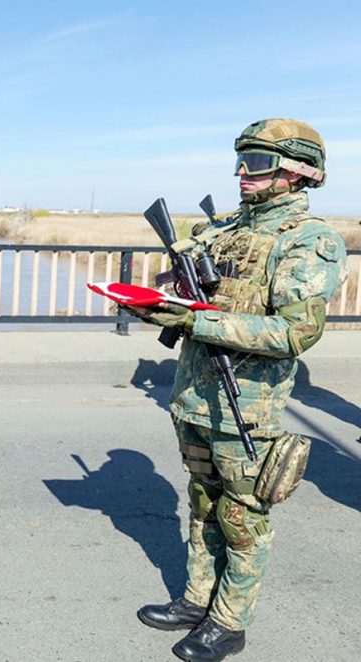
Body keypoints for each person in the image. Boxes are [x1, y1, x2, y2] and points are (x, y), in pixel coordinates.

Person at [127, 119, 347, 662]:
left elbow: (296, 333)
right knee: (202, 504)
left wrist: (195, 321)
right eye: (240, 162)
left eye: (255, 164)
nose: (241, 174)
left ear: (296, 173)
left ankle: (229, 621)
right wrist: (164, 297)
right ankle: (197, 599)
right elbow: (194, 290)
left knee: (242, 515)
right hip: (196, 395)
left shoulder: (309, 241)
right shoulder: (227, 231)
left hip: (247, 406)